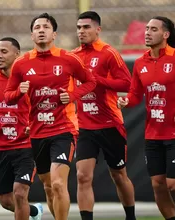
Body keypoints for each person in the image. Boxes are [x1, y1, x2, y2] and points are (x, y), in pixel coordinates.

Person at [4, 13, 97, 220]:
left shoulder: (68, 58)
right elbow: (8, 97)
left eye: (45, 27)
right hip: (37, 132)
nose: (41, 30)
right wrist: (19, 91)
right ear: (32, 35)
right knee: (47, 186)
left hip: (63, 129)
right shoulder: (21, 63)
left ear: (54, 34)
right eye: (37, 27)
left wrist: (72, 96)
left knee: (57, 183)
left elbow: (91, 82)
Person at [117, 16, 175, 220]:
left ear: (165, 34)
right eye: (146, 29)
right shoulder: (139, 63)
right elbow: (135, 95)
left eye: (153, 29)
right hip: (153, 134)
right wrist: (126, 101)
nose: (147, 32)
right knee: (158, 185)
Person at [72, 11, 136, 220]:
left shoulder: (109, 53)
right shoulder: (73, 57)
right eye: (79, 27)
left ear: (98, 29)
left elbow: (127, 84)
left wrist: (97, 80)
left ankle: (130, 216)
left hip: (110, 123)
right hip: (84, 126)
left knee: (118, 175)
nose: (81, 31)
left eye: (86, 27)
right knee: (82, 176)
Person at [0, 37, 43, 220]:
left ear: (17, 54)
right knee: (6, 201)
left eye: (4, 52)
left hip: (26, 145)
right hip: (2, 147)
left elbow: (42, 105)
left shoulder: (29, 79)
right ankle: (35, 212)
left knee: (20, 193)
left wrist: (34, 125)